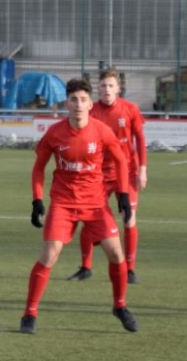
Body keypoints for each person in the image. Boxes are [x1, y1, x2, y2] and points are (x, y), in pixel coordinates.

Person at [20, 78, 138, 335]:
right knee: (49, 255)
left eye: (83, 99)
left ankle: (120, 306)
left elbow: (121, 160)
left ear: (90, 103)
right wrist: (37, 199)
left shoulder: (101, 131)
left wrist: (123, 195)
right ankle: (30, 312)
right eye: (74, 99)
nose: (79, 104)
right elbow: (39, 167)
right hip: (63, 202)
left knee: (116, 253)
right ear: (67, 103)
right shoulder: (55, 133)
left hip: (95, 203)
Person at [68, 68, 148, 284]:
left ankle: (130, 269)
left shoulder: (130, 109)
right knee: (89, 219)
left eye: (111, 85)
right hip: (98, 175)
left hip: (126, 172)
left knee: (128, 218)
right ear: (98, 88)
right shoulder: (91, 110)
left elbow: (140, 139)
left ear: (118, 88)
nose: (106, 89)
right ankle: (85, 267)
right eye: (103, 85)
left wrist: (142, 169)